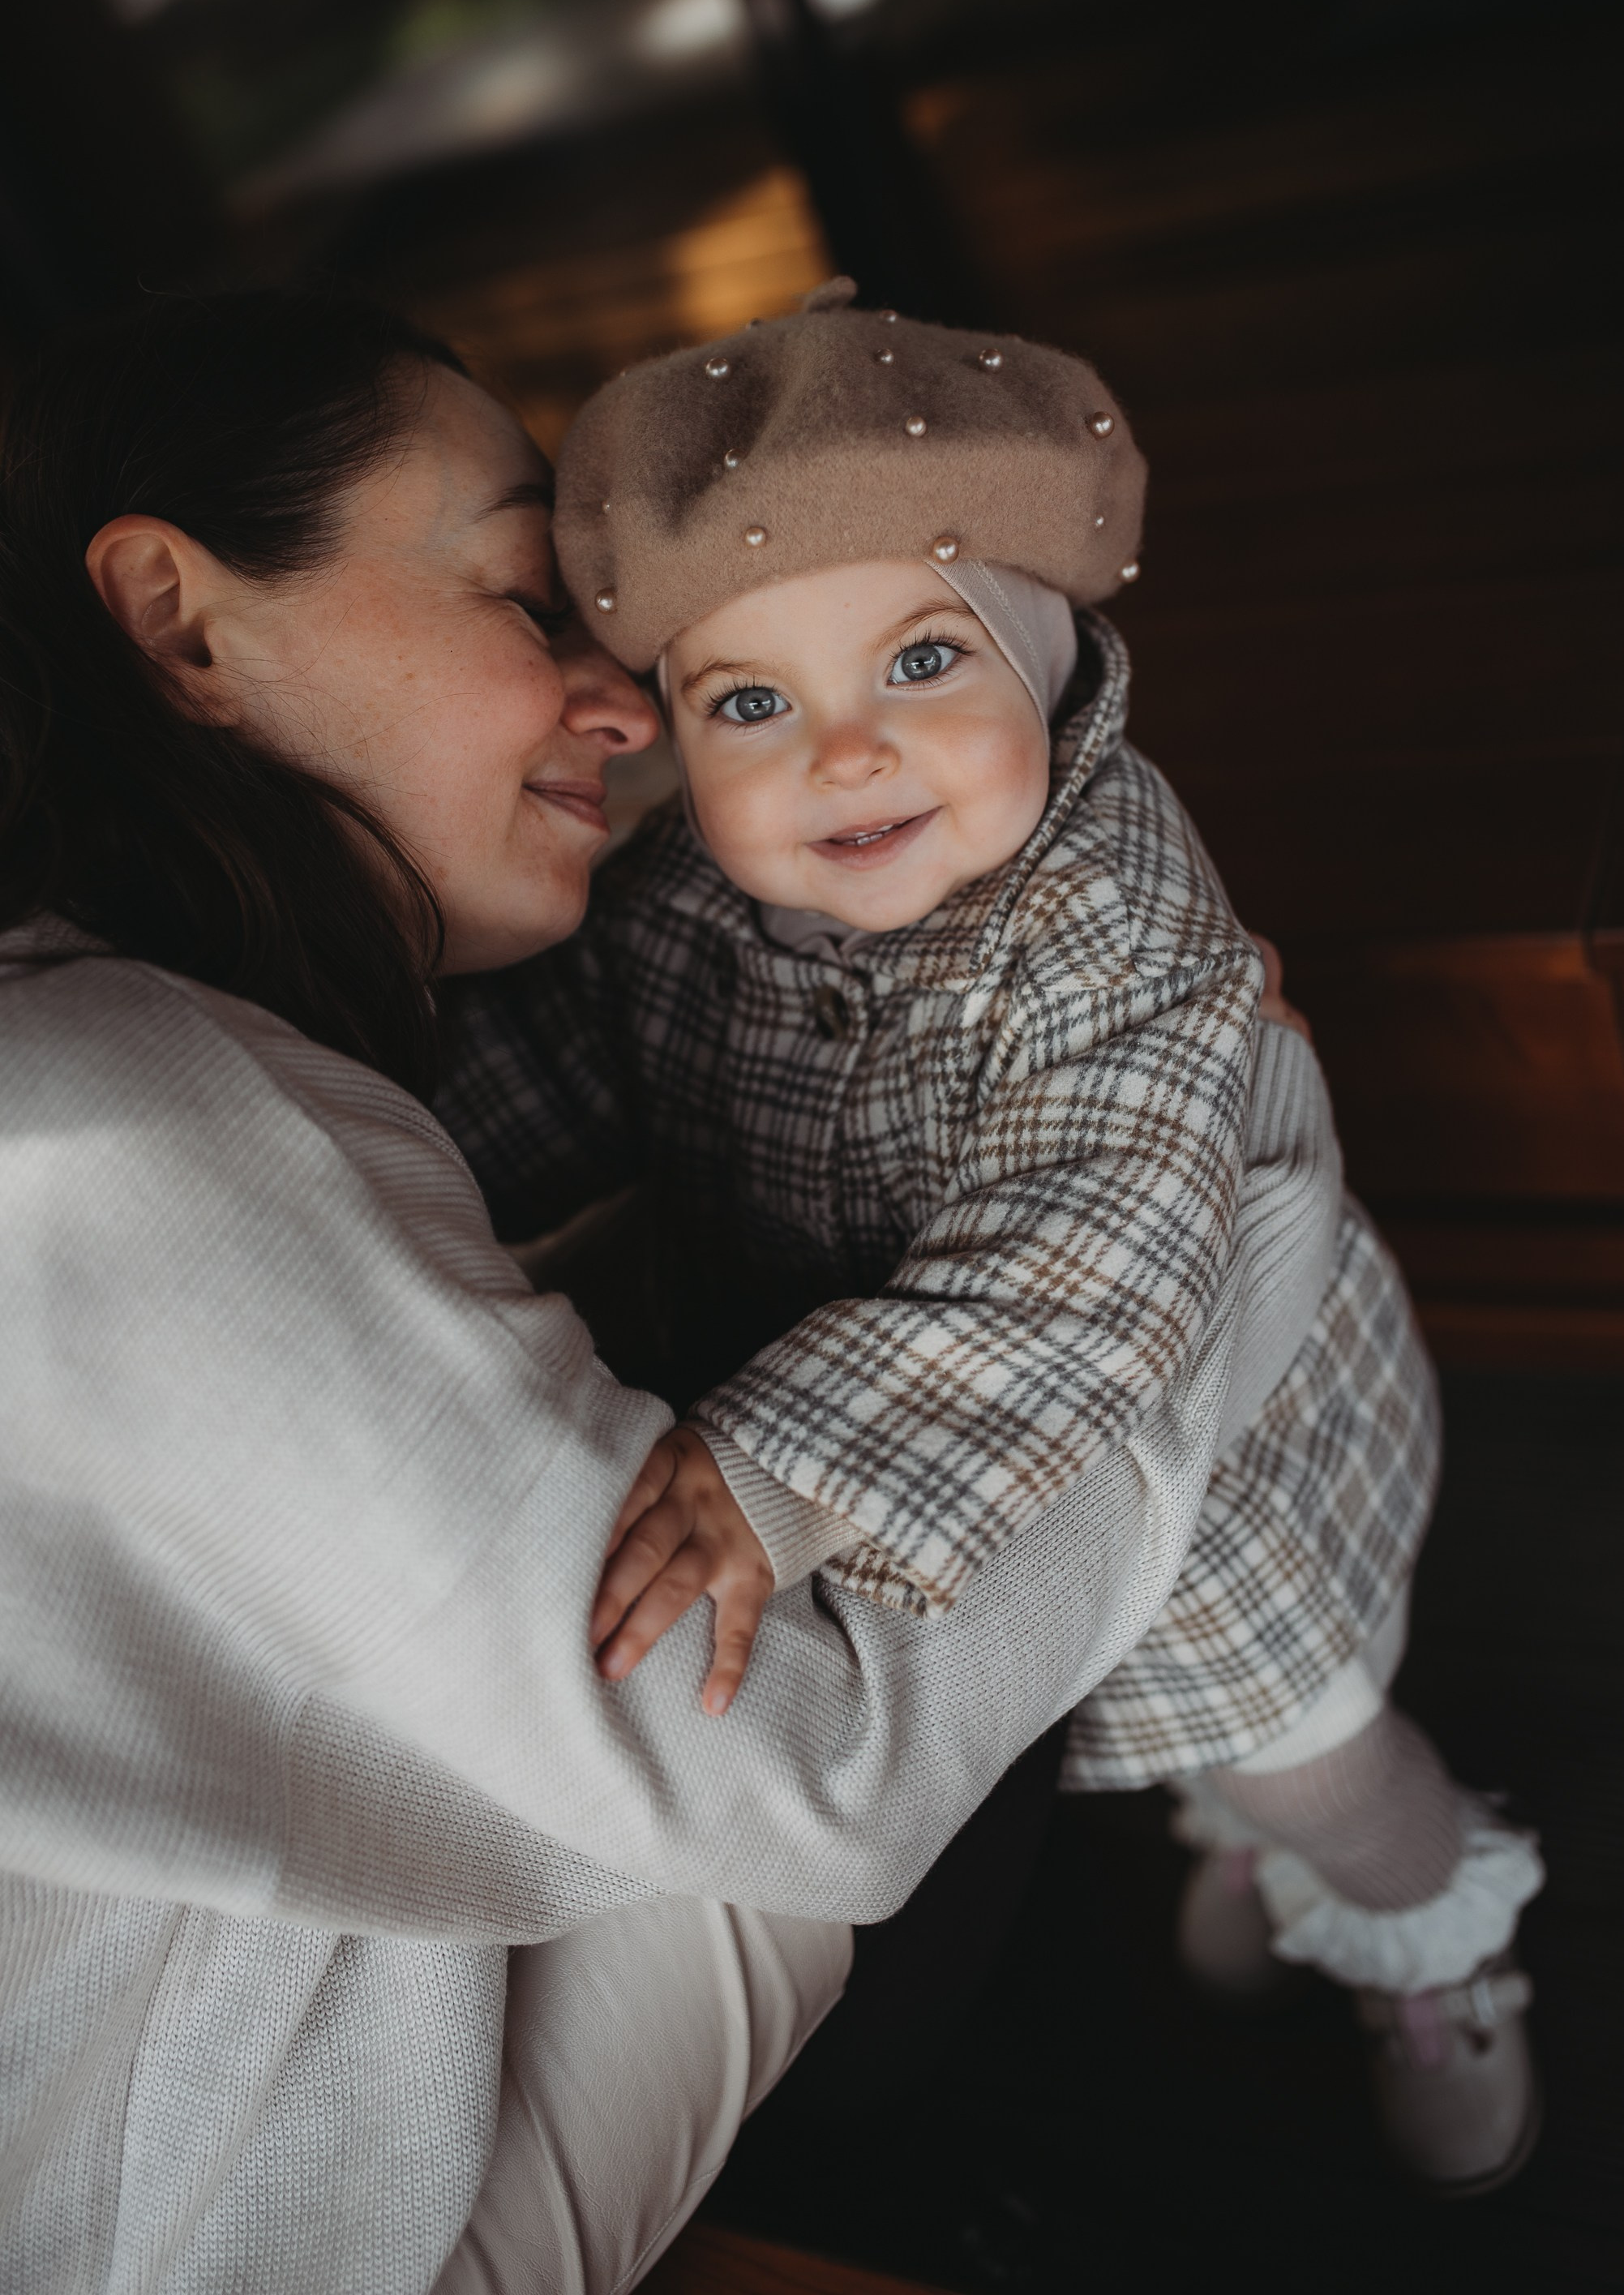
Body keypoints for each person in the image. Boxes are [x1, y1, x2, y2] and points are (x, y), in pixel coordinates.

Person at [0, 288, 1341, 2293]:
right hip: (226, 2227)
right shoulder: (110, 1140)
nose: (618, 705)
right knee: (814, 1616)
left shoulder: (143, 1058)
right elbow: (808, 1771)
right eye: (530, 598)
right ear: (184, 620)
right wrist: (1217, 1202)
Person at [436, 281, 1542, 2195]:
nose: (843, 755)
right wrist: (420, 1160)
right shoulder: (684, 890)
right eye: (754, 705)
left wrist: (780, 1455)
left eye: (923, 667)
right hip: (940, 1459)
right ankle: (1246, 1847)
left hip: (1188, 1438)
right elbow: (580, 1062)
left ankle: (1430, 1928)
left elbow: (1084, 1252)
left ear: (1044, 654)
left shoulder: (1112, 936)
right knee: (1108, 1734)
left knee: (1302, 1744)